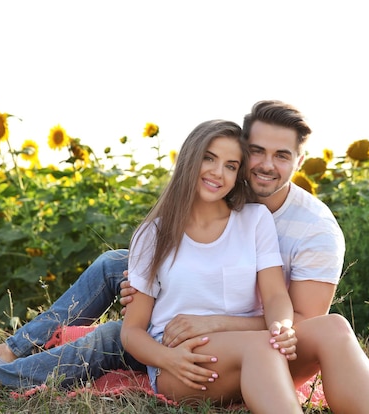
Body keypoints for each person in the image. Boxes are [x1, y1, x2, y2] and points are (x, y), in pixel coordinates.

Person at [0, 100, 369, 412]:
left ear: (298, 160)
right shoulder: (165, 229)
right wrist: (154, 304)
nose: (262, 166)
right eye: (254, 153)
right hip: (193, 347)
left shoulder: (302, 227)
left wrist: (219, 323)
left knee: (331, 328)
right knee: (117, 279)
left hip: (272, 346)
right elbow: (152, 309)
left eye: (280, 156)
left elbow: (294, 314)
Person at [120, 119, 302, 412]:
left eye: (231, 166)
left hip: (248, 352)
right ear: (191, 159)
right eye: (209, 158)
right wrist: (168, 359)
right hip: (182, 362)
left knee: (333, 328)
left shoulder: (255, 220)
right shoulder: (153, 233)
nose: (218, 173)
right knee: (260, 346)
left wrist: (282, 326)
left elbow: (276, 297)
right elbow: (132, 332)